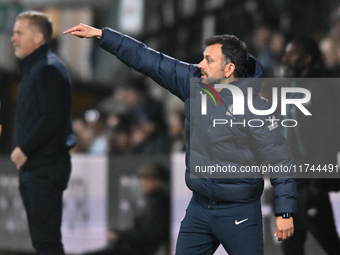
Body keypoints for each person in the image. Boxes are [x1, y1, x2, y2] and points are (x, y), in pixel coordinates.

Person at [64, 23, 297, 255]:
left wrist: (285, 212)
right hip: (200, 208)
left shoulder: (256, 108)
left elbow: (280, 161)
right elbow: (147, 58)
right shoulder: (193, 82)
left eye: (209, 60)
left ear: (229, 70)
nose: (200, 65)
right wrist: (102, 35)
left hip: (240, 212)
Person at [11, 11, 75, 255]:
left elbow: (52, 118)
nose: (13, 38)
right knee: (43, 241)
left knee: (46, 242)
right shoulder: (37, 68)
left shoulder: (48, 68)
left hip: (44, 167)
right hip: (37, 167)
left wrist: (23, 149)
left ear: (38, 37)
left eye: (19, 33)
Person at [281, 37, 340, 255]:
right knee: (291, 249)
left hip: (310, 185)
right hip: (291, 187)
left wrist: (316, 185)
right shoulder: (291, 90)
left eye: (292, 54)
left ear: (307, 59)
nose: (286, 58)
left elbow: (328, 138)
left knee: (331, 245)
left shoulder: (321, 90)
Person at [86, 162, 170, 255]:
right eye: (143, 180)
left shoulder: (158, 203)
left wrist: (121, 235)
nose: (143, 184)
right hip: (131, 245)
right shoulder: (152, 201)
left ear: (157, 182)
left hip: (137, 248)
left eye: (147, 180)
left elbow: (150, 233)